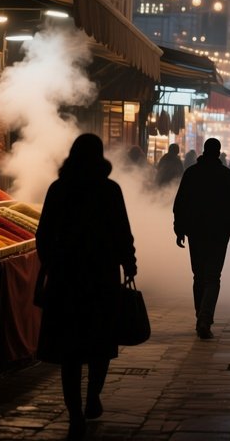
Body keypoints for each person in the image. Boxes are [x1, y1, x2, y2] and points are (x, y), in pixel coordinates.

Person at [35, 134, 137, 440]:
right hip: (102, 276)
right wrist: (129, 262)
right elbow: (122, 231)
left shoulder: (59, 188)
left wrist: (51, 261)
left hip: (66, 277)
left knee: (70, 351)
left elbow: (44, 233)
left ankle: (75, 414)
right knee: (100, 343)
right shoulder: (109, 189)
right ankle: (93, 395)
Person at [173, 137, 230, 339]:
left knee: (199, 276)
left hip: (196, 232)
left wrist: (179, 229)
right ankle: (205, 317)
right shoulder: (225, 175)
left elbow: (180, 204)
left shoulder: (192, 173)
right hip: (219, 233)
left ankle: (200, 316)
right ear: (219, 152)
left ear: (204, 151)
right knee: (213, 277)